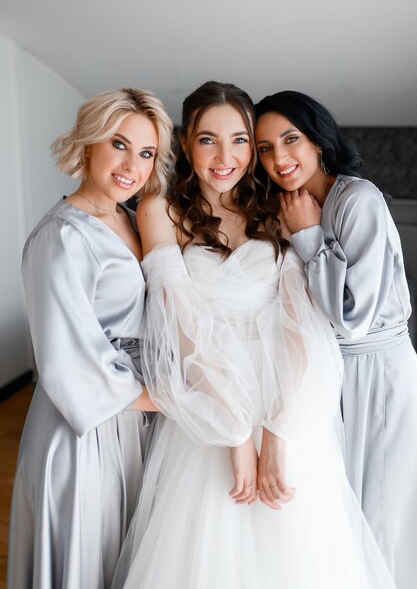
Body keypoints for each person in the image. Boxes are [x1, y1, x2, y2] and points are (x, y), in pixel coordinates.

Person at [112, 81, 395, 589]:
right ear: (185, 142)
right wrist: (235, 430)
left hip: (287, 396)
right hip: (209, 399)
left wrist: (277, 429)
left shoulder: (278, 203)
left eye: (241, 140)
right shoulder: (161, 210)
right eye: (208, 140)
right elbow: (179, 326)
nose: (226, 157)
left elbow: (300, 322)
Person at [7, 88, 174, 589]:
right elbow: (64, 359)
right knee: (85, 561)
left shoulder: (132, 217)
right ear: (88, 143)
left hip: (134, 421)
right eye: (119, 144)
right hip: (84, 430)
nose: (132, 165)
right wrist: (168, 398)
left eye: (146, 153)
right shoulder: (61, 236)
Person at [255, 89, 417, 589]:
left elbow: (352, 319)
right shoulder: (287, 204)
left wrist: (307, 236)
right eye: (264, 148)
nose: (279, 158)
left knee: (381, 511)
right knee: (337, 506)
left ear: (318, 141)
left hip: (378, 371)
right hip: (326, 374)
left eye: (291, 139)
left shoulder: (358, 199)